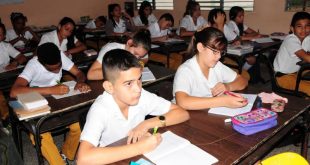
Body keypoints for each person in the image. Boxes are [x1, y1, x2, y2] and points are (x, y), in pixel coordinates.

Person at [76, 49, 189, 164]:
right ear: (110, 87)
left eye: (139, 79)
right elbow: (83, 159)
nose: (138, 89)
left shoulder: (142, 96)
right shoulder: (100, 109)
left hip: (134, 156)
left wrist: (147, 124)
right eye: (129, 83)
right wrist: (139, 147)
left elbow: (181, 113)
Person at [10, 43, 91, 165]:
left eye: (59, 66)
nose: (58, 70)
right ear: (41, 63)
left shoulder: (59, 55)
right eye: (52, 69)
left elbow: (79, 73)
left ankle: (66, 154)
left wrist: (79, 82)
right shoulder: (33, 64)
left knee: (79, 124)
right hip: (39, 103)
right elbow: (14, 91)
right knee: (40, 135)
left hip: (58, 100)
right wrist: (50, 89)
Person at [173, 27, 248, 110]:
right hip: (184, 117)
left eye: (221, 52)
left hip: (206, 114)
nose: (219, 56)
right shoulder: (185, 70)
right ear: (200, 47)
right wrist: (223, 101)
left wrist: (228, 87)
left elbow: (242, 80)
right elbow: (182, 102)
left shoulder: (217, 66)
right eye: (215, 51)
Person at [273, 11, 310, 95]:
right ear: (292, 29)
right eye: (299, 26)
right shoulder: (290, 40)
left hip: (297, 72)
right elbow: (307, 58)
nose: (303, 30)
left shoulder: (307, 38)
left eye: (307, 26)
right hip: (283, 77)